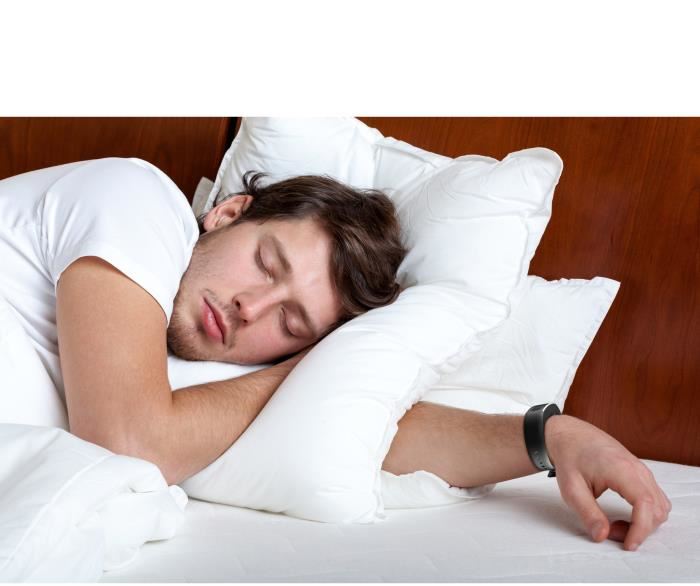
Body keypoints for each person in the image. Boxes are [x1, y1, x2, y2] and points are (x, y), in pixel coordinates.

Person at [0, 158, 671, 553]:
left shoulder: (213, 362)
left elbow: (355, 430)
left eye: (290, 320)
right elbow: (126, 444)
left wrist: (551, 435)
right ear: (228, 213)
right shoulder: (138, 201)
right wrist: (300, 365)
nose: (251, 308)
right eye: (266, 263)